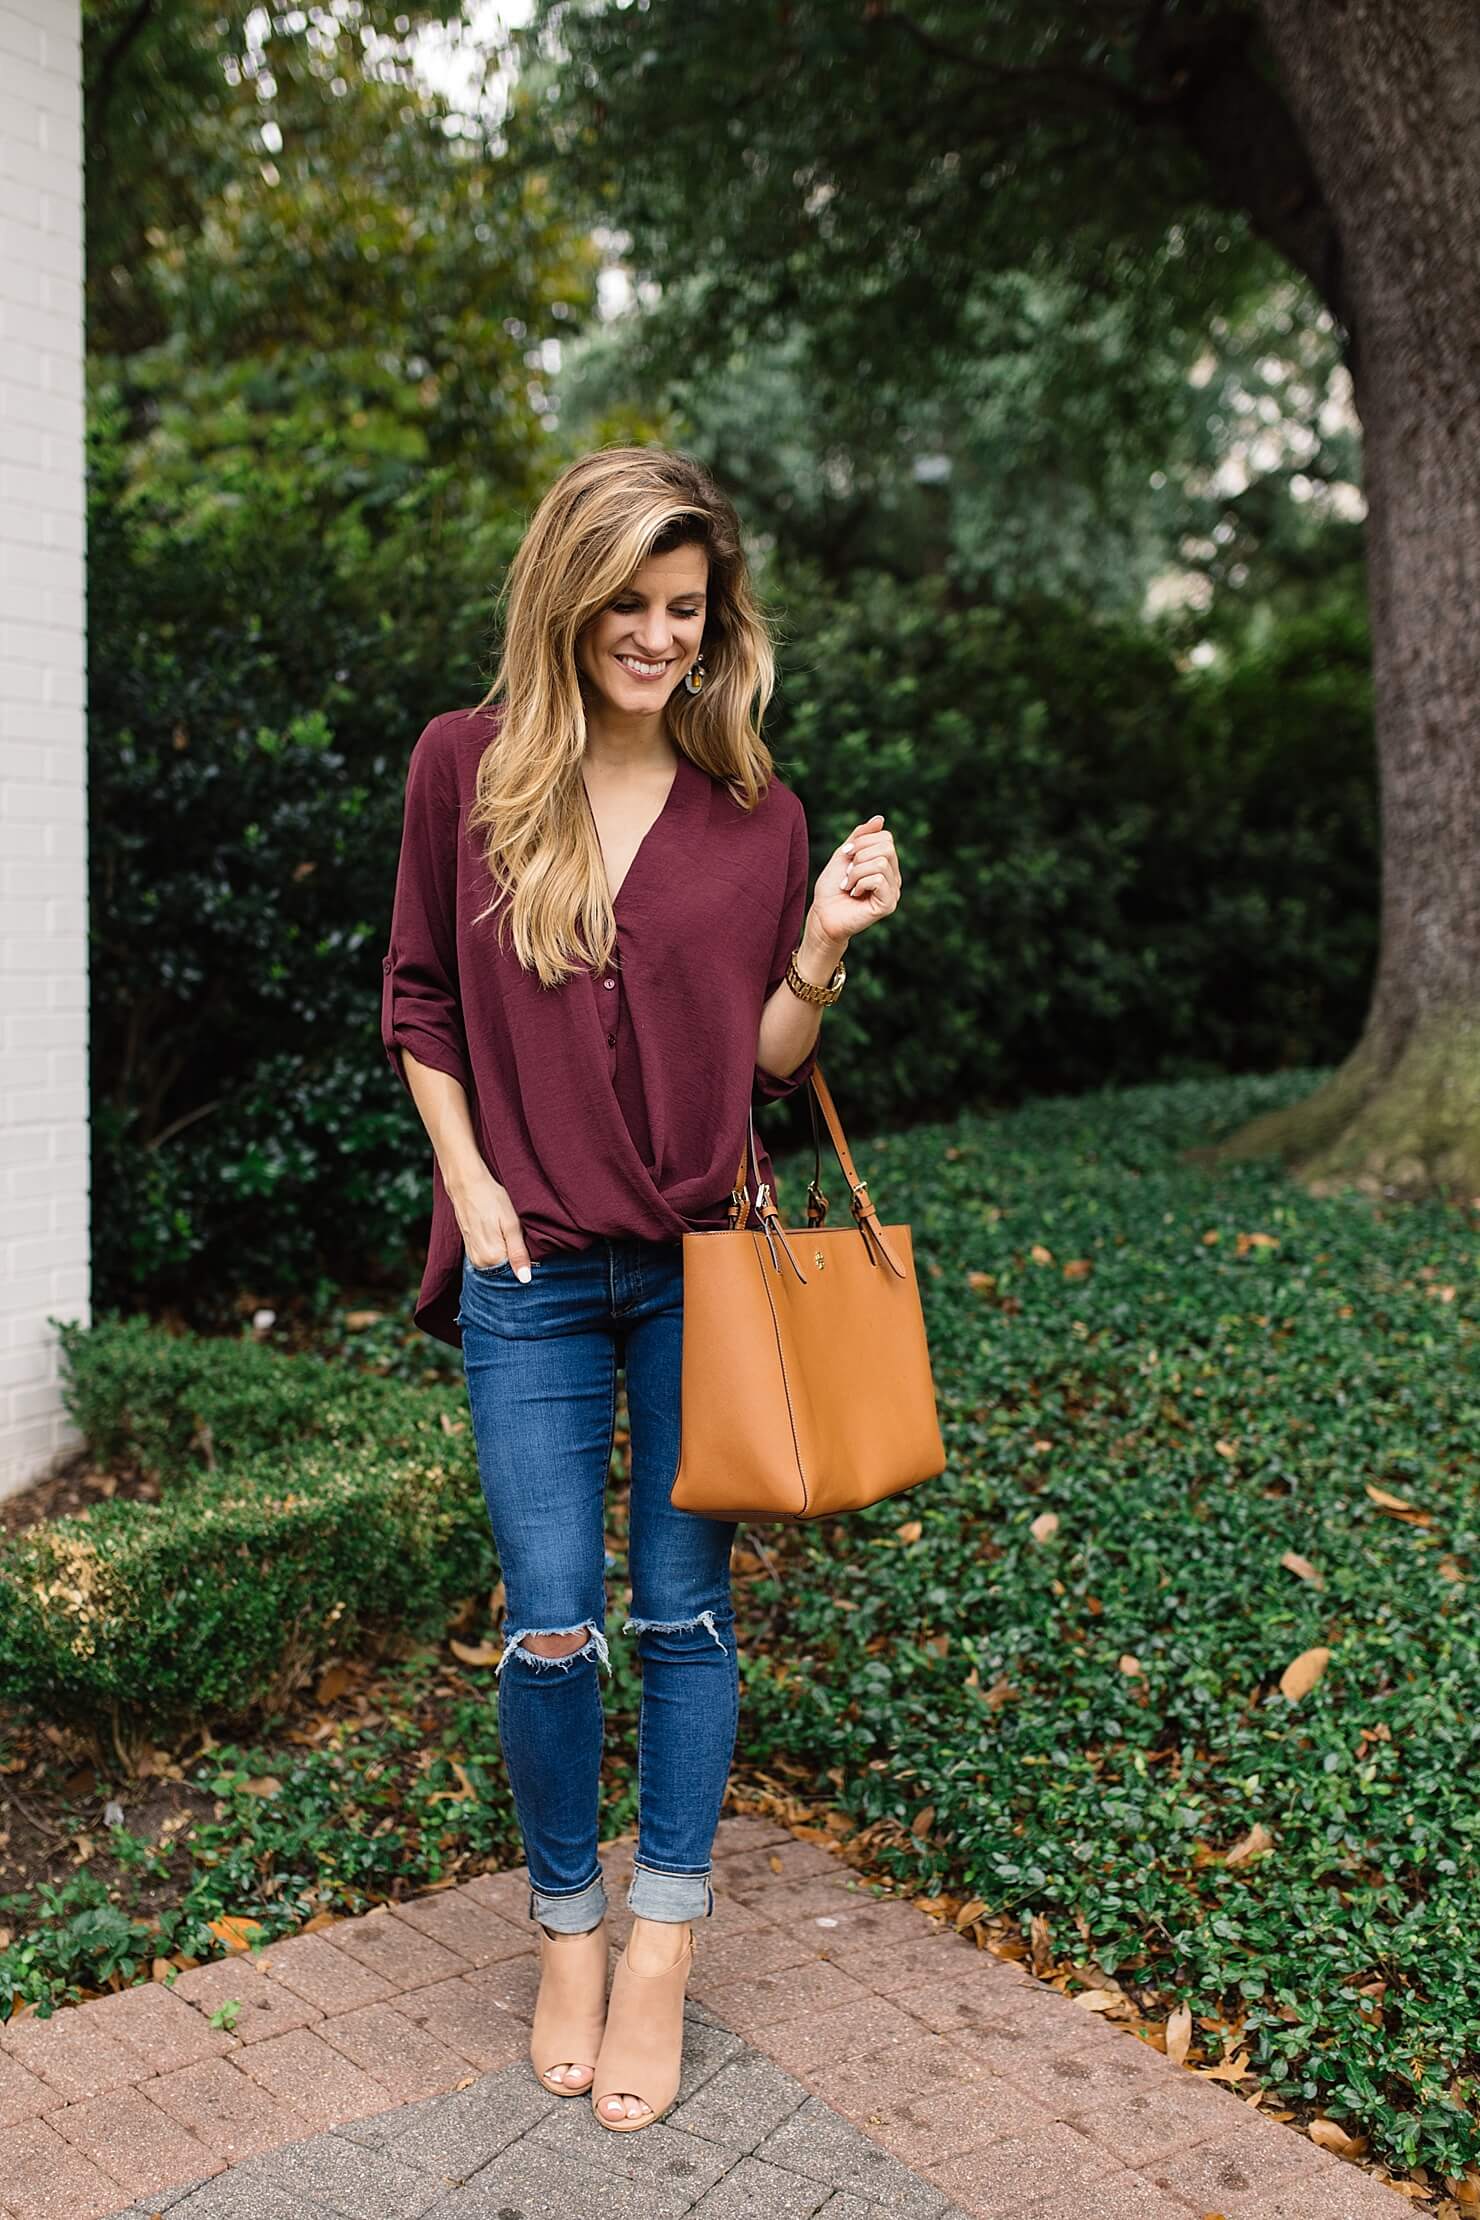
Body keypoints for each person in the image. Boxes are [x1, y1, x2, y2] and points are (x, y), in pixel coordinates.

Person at [380, 445, 900, 2132]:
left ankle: (662, 1945)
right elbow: (418, 1005)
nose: (661, 637)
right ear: (567, 592)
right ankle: (566, 1934)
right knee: (550, 1625)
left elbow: (760, 1064)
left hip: (700, 1271)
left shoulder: (758, 813)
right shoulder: (463, 769)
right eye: (631, 602)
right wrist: (472, 1189)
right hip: (529, 1265)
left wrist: (817, 943)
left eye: (688, 609)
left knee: (680, 1616)